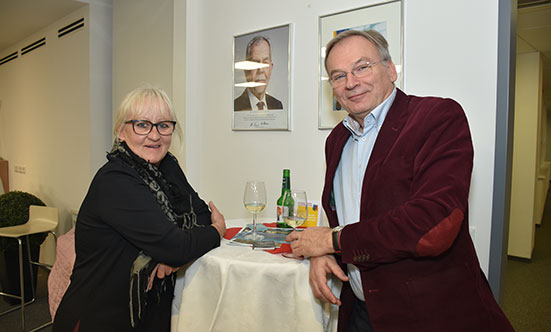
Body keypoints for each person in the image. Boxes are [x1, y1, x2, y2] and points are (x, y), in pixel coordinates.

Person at [285, 30, 514, 332]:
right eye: (338, 76)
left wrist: (332, 240)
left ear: (391, 69)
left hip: (431, 316)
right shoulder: (336, 140)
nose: (350, 82)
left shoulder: (437, 117)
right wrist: (324, 252)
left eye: (362, 67)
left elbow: (433, 224)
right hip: (361, 313)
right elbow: (356, 216)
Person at [53, 87, 226, 332]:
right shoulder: (115, 181)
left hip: (148, 312)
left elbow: (199, 214)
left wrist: (169, 254)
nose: (155, 135)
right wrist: (217, 230)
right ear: (121, 131)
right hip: (101, 317)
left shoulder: (167, 167)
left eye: (163, 125)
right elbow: (177, 245)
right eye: (142, 125)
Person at [234, 35, 283, 111]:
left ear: (271, 68)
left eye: (265, 63)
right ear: (246, 69)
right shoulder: (235, 107)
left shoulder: (277, 105)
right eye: (255, 63)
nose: (260, 70)